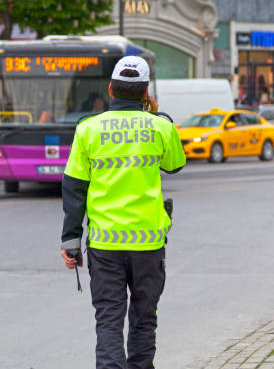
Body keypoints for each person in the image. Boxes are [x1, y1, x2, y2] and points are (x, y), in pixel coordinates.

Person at [60, 55, 186, 369]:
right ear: (146, 93)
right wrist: (155, 115)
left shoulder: (88, 129)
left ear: (110, 89)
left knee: (109, 322)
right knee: (144, 320)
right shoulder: (161, 126)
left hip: (105, 246)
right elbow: (175, 164)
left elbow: (74, 188)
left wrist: (70, 241)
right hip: (148, 244)